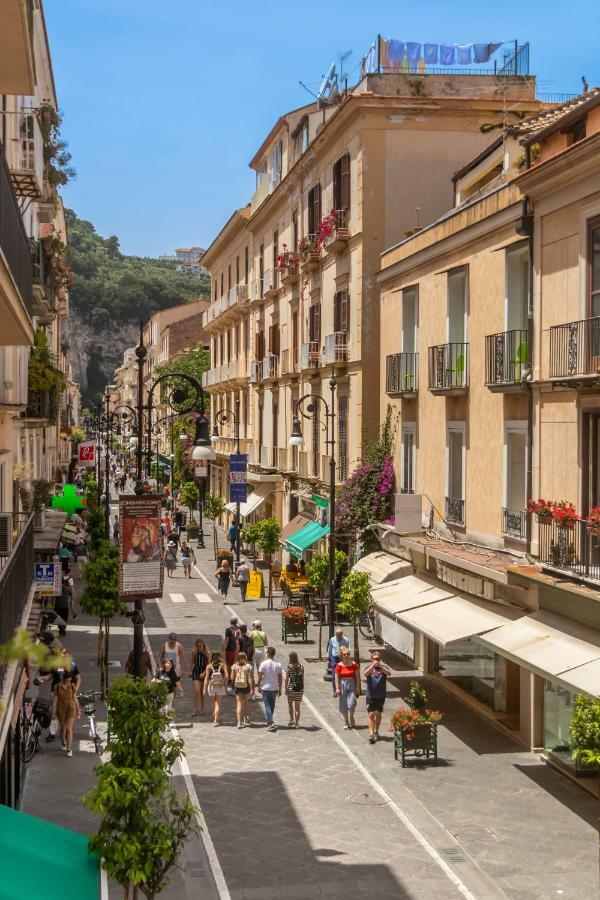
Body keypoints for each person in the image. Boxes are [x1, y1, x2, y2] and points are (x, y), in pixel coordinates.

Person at [364, 651, 392, 743]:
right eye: (374, 658)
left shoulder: (383, 668)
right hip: (370, 695)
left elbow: (389, 673)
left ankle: (376, 731)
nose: (376, 660)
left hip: (380, 695)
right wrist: (373, 666)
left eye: (378, 659)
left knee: (378, 714)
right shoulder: (368, 667)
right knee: (371, 714)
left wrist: (381, 667)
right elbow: (365, 674)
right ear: (371, 659)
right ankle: (371, 734)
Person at [54, 669, 79, 757]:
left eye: (70, 679)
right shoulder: (57, 687)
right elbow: (55, 700)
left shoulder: (72, 685)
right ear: (64, 679)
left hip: (71, 707)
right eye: (68, 679)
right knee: (63, 728)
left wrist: (78, 709)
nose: (69, 681)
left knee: (69, 728)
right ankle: (63, 742)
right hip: (61, 708)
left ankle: (69, 749)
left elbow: (75, 697)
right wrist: (53, 711)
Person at [334, 646, 361, 729]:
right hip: (342, 684)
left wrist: (358, 688)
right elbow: (337, 678)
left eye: (348, 654)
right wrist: (337, 688)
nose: (346, 656)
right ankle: (346, 722)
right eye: (344, 654)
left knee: (352, 703)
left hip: (352, 683)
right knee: (343, 704)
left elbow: (357, 677)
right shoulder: (339, 665)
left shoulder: (354, 665)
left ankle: (351, 716)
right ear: (341, 655)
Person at [257, 646, 282, 731]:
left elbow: (260, 676)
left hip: (266, 688)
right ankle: (270, 721)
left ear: (267, 653)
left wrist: (259, 685)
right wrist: (280, 688)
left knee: (267, 705)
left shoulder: (263, 664)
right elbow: (280, 678)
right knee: (272, 705)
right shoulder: (278, 665)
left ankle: (270, 723)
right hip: (274, 688)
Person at [231, 651, 254, 728]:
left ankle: (238, 722)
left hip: (237, 687)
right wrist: (251, 689)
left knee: (239, 704)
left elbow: (232, 678)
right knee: (246, 703)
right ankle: (246, 718)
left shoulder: (234, 666)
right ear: (245, 658)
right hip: (246, 686)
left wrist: (233, 685)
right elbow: (250, 678)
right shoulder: (248, 666)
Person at [204, 651, 226, 726]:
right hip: (220, 685)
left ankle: (215, 716)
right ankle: (216, 719)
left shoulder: (209, 666)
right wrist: (225, 684)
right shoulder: (223, 665)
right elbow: (227, 676)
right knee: (218, 703)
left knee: (214, 701)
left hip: (212, 685)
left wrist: (204, 688)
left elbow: (206, 678)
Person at [326, 627, 350, 695]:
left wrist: (347, 659)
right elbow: (329, 649)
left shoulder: (346, 640)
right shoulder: (332, 639)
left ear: (342, 634)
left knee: (343, 674)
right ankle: (335, 691)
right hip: (334, 658)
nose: (338, 636)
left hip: (342, 658)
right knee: (334, 674)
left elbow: (348, 650)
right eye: (336, 635)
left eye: (339, 635)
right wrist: (328, 659)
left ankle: (342, 689)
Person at [189, 638, 209, 715]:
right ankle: (195, 708)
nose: (199, 647)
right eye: (197, 646)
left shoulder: (207, 653)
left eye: (200, 646)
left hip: (204, 671)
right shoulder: (194, 652)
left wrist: (204, 673)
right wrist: (190, 671)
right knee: (196, 690)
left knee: (202, 691)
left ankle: (202, 708)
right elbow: (192, 661)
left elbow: (209, 664)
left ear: (203, 646)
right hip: (196, 671)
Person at [285, 651, 304, 728]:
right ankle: (297, 723)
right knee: (297, 707)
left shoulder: (288, 667)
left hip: (291, 688)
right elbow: (302, 678)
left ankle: (291, 719)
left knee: (290, 705)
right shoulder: (301, 666)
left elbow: (286, 679)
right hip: (299, 689)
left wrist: (286, 688)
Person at [237, 624, 255, 698]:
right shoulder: (251, 639)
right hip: (250, 659)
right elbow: (254, 650)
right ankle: (252, 694)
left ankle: (241, 693)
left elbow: (237, 650)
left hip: (241, 660)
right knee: (251, 677)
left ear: (240, 631)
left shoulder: (239, 639)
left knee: (241, 676)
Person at [222, 617, 240, 685]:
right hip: (237, 649)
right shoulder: (239, 629)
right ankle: (235, 677)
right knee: (235, 663)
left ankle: (230, 677)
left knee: (229, 664)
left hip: (230, 649)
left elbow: (227, 640)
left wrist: (223, 649)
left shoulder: (228, 630)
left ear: (230, 622)